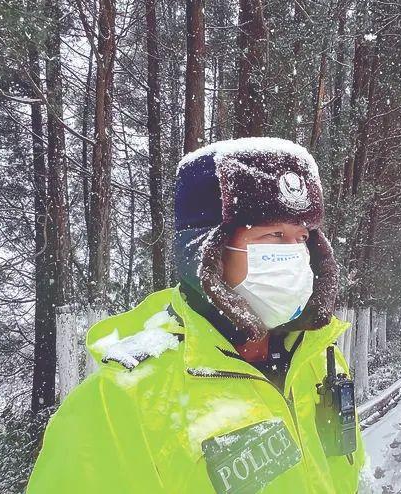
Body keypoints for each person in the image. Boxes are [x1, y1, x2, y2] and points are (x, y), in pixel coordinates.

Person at [27, 138, 366, 493]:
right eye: (273, 235)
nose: (296, 255)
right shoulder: (119, 403)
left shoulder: (319, 357)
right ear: (208, 251)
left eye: (301, 238)